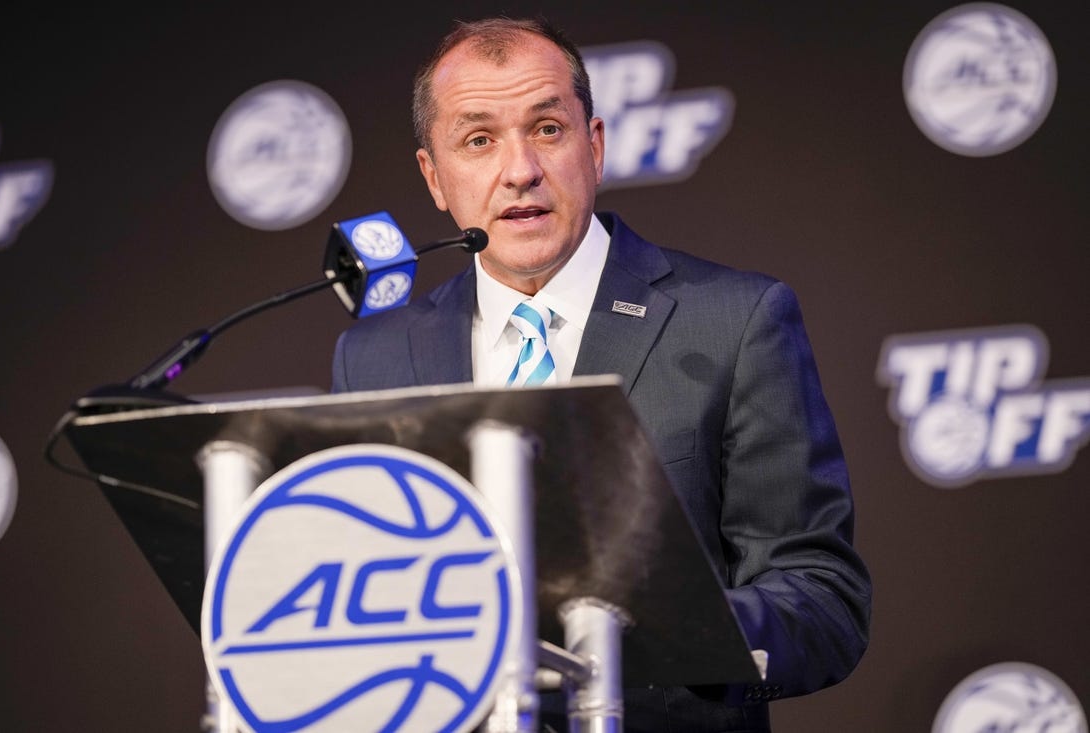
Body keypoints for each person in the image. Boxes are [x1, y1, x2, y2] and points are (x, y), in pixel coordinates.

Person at [332, 16, 871, 732]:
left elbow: (824, 599)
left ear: (595, 144)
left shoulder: (735, 322)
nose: (519, 169)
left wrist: (663, 629)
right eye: (479, 139)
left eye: (548, 129)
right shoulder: (372, 358)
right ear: (435, 176)